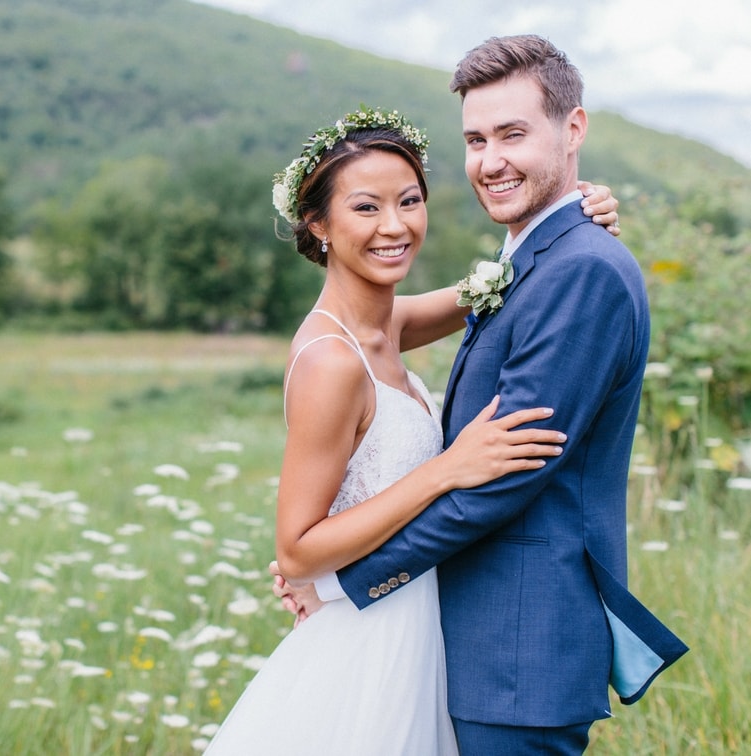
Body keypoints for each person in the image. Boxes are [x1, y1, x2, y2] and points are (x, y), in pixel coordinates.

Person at [273, 37, 688, 755]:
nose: (491, 159)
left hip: (514, 652)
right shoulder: (524, 265)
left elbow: (501, 480)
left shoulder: (577, 269)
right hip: (458, 643)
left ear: (573, 129)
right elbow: (451, 310)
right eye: (475, 139)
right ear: (318, 225)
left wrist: (343, 583)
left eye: (512, 134)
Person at [204, 106, 621, 755]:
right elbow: (296, 552)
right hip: (367, 647)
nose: (394, 226)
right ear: (316, 224)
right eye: (366, 208)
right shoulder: (331, 360)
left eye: (409, 201)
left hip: (421, 623)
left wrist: (575, 211)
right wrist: (446, 469)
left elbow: (509, 279)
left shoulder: (388, 324)